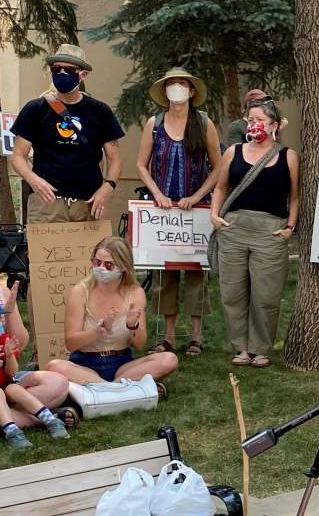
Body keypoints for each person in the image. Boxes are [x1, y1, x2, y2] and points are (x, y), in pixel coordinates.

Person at [136, 67, 223, 356]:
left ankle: (196, 337)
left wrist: (197, 196)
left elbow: (218, 165)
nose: (176, 88)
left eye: (181, 84)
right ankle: (168, 336)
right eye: (171, 84)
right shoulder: (155, 124)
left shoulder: (204, 123)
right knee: (164, 275)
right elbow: (141, 164)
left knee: (196, 273)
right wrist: (157, 194)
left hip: (195, 210)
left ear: (192, 91)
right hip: (163, 211)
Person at [212, 98, 299, 368]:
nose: (254, 125)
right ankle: (241, 348)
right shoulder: (233, 152)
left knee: (266, 294)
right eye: (250, 120)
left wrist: (290, 227)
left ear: (274, 124)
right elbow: (220, 188)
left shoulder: (288, 155)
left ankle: (261, 348)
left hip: (270, 231)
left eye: (260, 120)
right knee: (233, 292)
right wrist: (215, 216)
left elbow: (294, 196)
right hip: (234, 228)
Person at [10, 43, 125, 223]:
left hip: (88, 203)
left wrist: (108, 187)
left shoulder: (100, 111)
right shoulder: (35, 109)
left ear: (83, 74)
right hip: (45, 204)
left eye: (69, 70)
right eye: (56, 69)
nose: (62, 73)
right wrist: (33, 180)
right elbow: (18, 155)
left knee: (90, 252)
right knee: (44, 252)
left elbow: (115, 158)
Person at [46, 236, 178, 391]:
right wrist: (99, 330)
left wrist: (132, 325)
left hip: (122, 364)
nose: (101, 268)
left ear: (123, 267)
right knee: (54, 366)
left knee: (169, 359)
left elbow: (140, 345)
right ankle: (122, 389)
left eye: (108, 265)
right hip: (85, 364)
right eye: (97, 262)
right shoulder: (80, 291)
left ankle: (104, 390)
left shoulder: (135, 293)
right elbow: (70, 343)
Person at [0, 294, 70, 450]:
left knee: (14, 388)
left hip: (5, 384)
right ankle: (12, 430)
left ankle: (50, 419)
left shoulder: (2, 338)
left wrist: (10, 355)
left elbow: (12, 372)